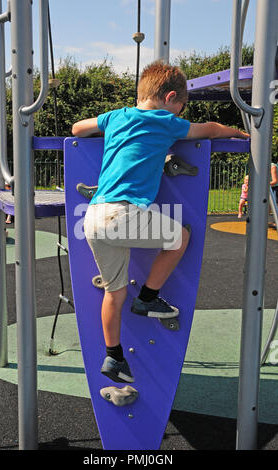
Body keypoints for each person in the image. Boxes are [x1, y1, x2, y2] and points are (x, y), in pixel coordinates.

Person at [72, 61, 250, 384]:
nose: (180, 115)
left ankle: (114, 358)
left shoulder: (116, 116)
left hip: (94, 217)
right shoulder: (165, 121)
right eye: (180, 108)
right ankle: (149, 298)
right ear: (170, 98)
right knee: (180, 237)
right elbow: (206, 129)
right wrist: (236, 133)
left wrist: (101, 129)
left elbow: (77, 129)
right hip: (122, 214)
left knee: (114, 293)